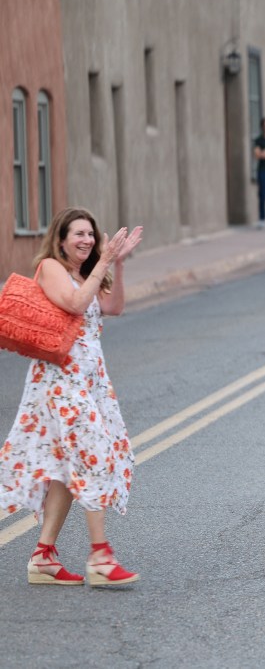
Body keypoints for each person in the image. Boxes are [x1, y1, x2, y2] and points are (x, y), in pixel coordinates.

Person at [0, 208, 143, 587]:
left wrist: (119, 265)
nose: (87, 241)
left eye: (91, 235)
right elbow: (76, 304)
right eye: (78, 234)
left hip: (90, 381)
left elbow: (112, 308)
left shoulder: (87, 272)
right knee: (95, 454)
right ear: (60, 239)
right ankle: (100, 557)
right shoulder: (50, 268)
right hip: (60, 382)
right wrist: (105, 262)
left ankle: (43, 557)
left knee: (67, 467)